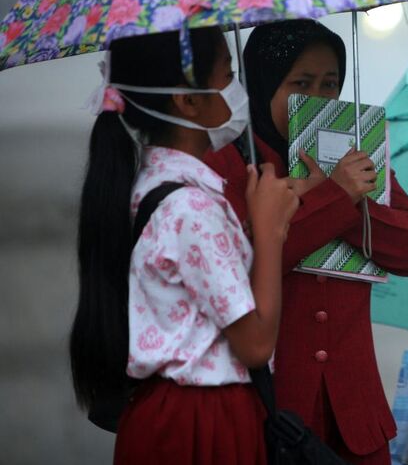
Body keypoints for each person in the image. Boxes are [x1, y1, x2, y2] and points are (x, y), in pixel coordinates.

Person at [204, 19, 408, 464]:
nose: (319, 99)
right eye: (300, 84)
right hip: (273, 418)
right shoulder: (232, 164)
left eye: (330, 84)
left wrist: (347, 199)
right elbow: (243, 268)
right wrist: (337, 197)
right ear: (262, 85)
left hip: (356, 419)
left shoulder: (357, 156)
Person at [69, 27, 299, 465]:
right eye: (228, 77)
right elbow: (254, 344)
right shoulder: (191, 207)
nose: (236, 91)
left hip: (173, 414)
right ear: (188, 100)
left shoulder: (158, 186)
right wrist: (269, 234)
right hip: (201, 421)